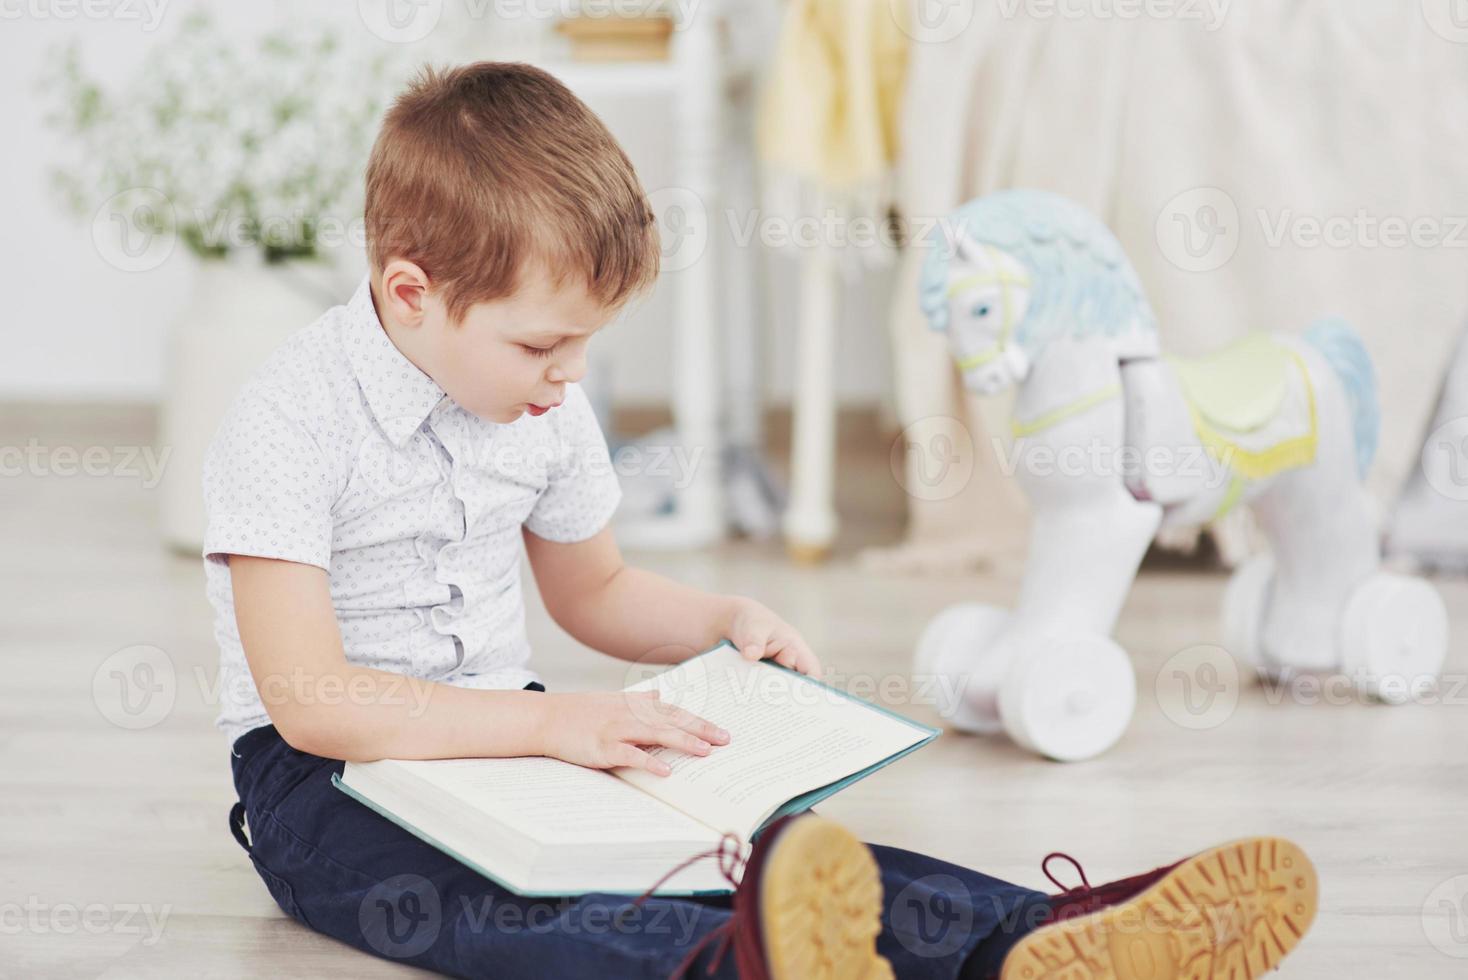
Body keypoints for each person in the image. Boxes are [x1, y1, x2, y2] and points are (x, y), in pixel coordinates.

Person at [205, 61, 1317, 979]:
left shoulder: (544, 403)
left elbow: (591, 591)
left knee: (759, 850)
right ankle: (748, 964)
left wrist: (722, 617)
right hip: (324, 783)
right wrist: (553, 727)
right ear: (411, 293)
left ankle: (1039, 939)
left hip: (512, 735)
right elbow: (310, 703)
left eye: (585, 344)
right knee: (503, 912)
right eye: (543, 346)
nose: (570, 376)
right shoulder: (288, 417)